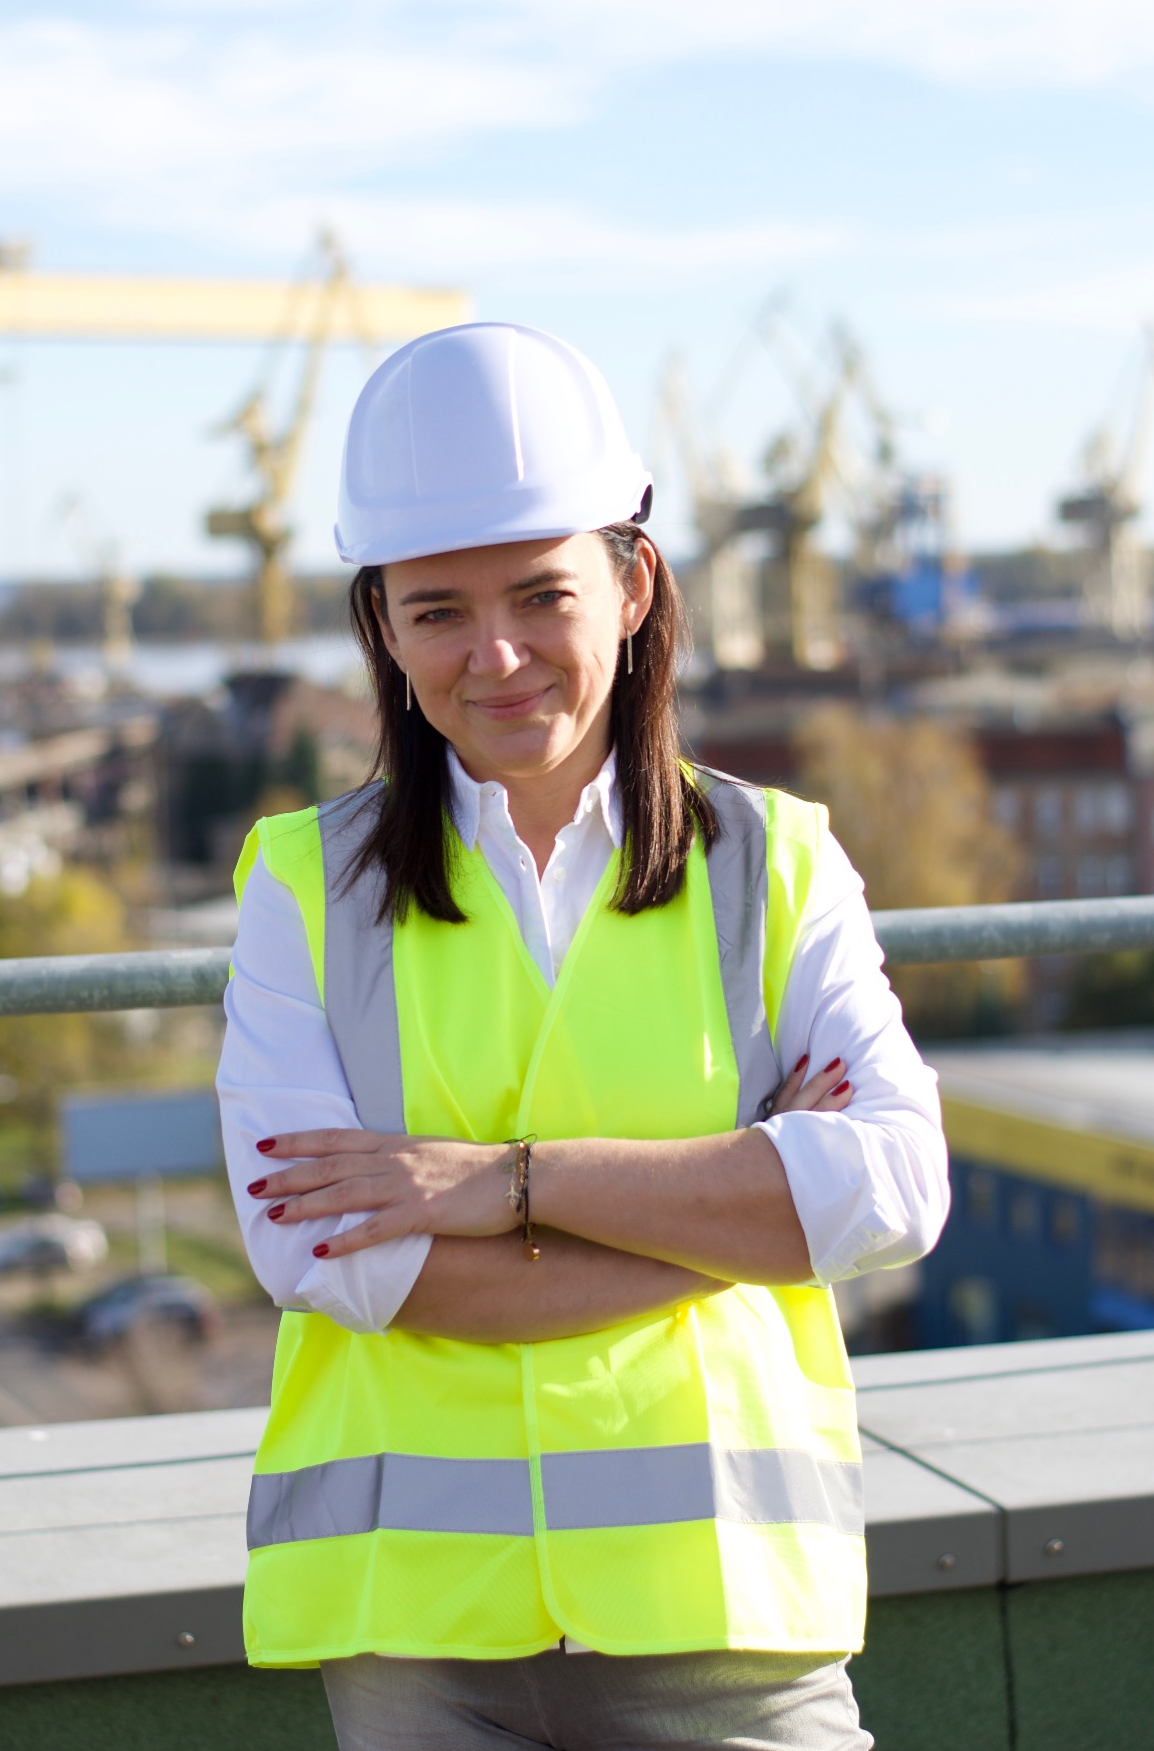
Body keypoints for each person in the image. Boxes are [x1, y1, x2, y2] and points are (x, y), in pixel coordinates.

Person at [217, 321, 949, 1751]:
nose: (494, 655)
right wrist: (738, 1206)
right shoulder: (300, 886)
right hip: (419, 1633)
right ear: (381, 626)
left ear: (632, 584)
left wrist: (502, 1186)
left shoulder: (776, 862)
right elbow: (322, 1257)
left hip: (725, 1609)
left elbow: (895, 1188)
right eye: (435, 610)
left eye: (540, 593)